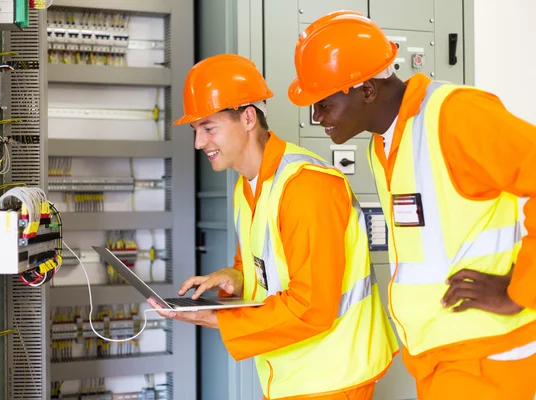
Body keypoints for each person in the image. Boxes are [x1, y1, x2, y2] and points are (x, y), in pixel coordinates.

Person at [287, 10, 536, 400]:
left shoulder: (454, 114)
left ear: (368, 90)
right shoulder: (381, 145)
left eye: (323, 103)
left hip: (487, 357)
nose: (316, 118)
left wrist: (522, 291)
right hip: (436, 357)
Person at [147, 53, 399, 400]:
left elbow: (312, 306)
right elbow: (261, 268)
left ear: (248, 118)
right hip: (292, 374)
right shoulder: (246, 186)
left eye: (208, 128)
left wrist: (217, 319)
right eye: (196, 130)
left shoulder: (306, 186)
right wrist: (233, 278)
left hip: (333, 378)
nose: (198, 143)